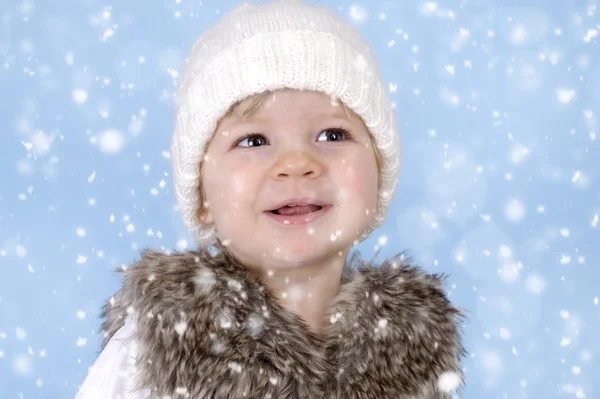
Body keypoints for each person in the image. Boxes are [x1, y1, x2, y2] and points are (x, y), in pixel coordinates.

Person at [75, 0, 466, 397]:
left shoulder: (410, 358)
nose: (296, 163)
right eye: (254, 140)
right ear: (202, 197)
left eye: (332, 135)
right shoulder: (153, 354)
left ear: (379, 171)